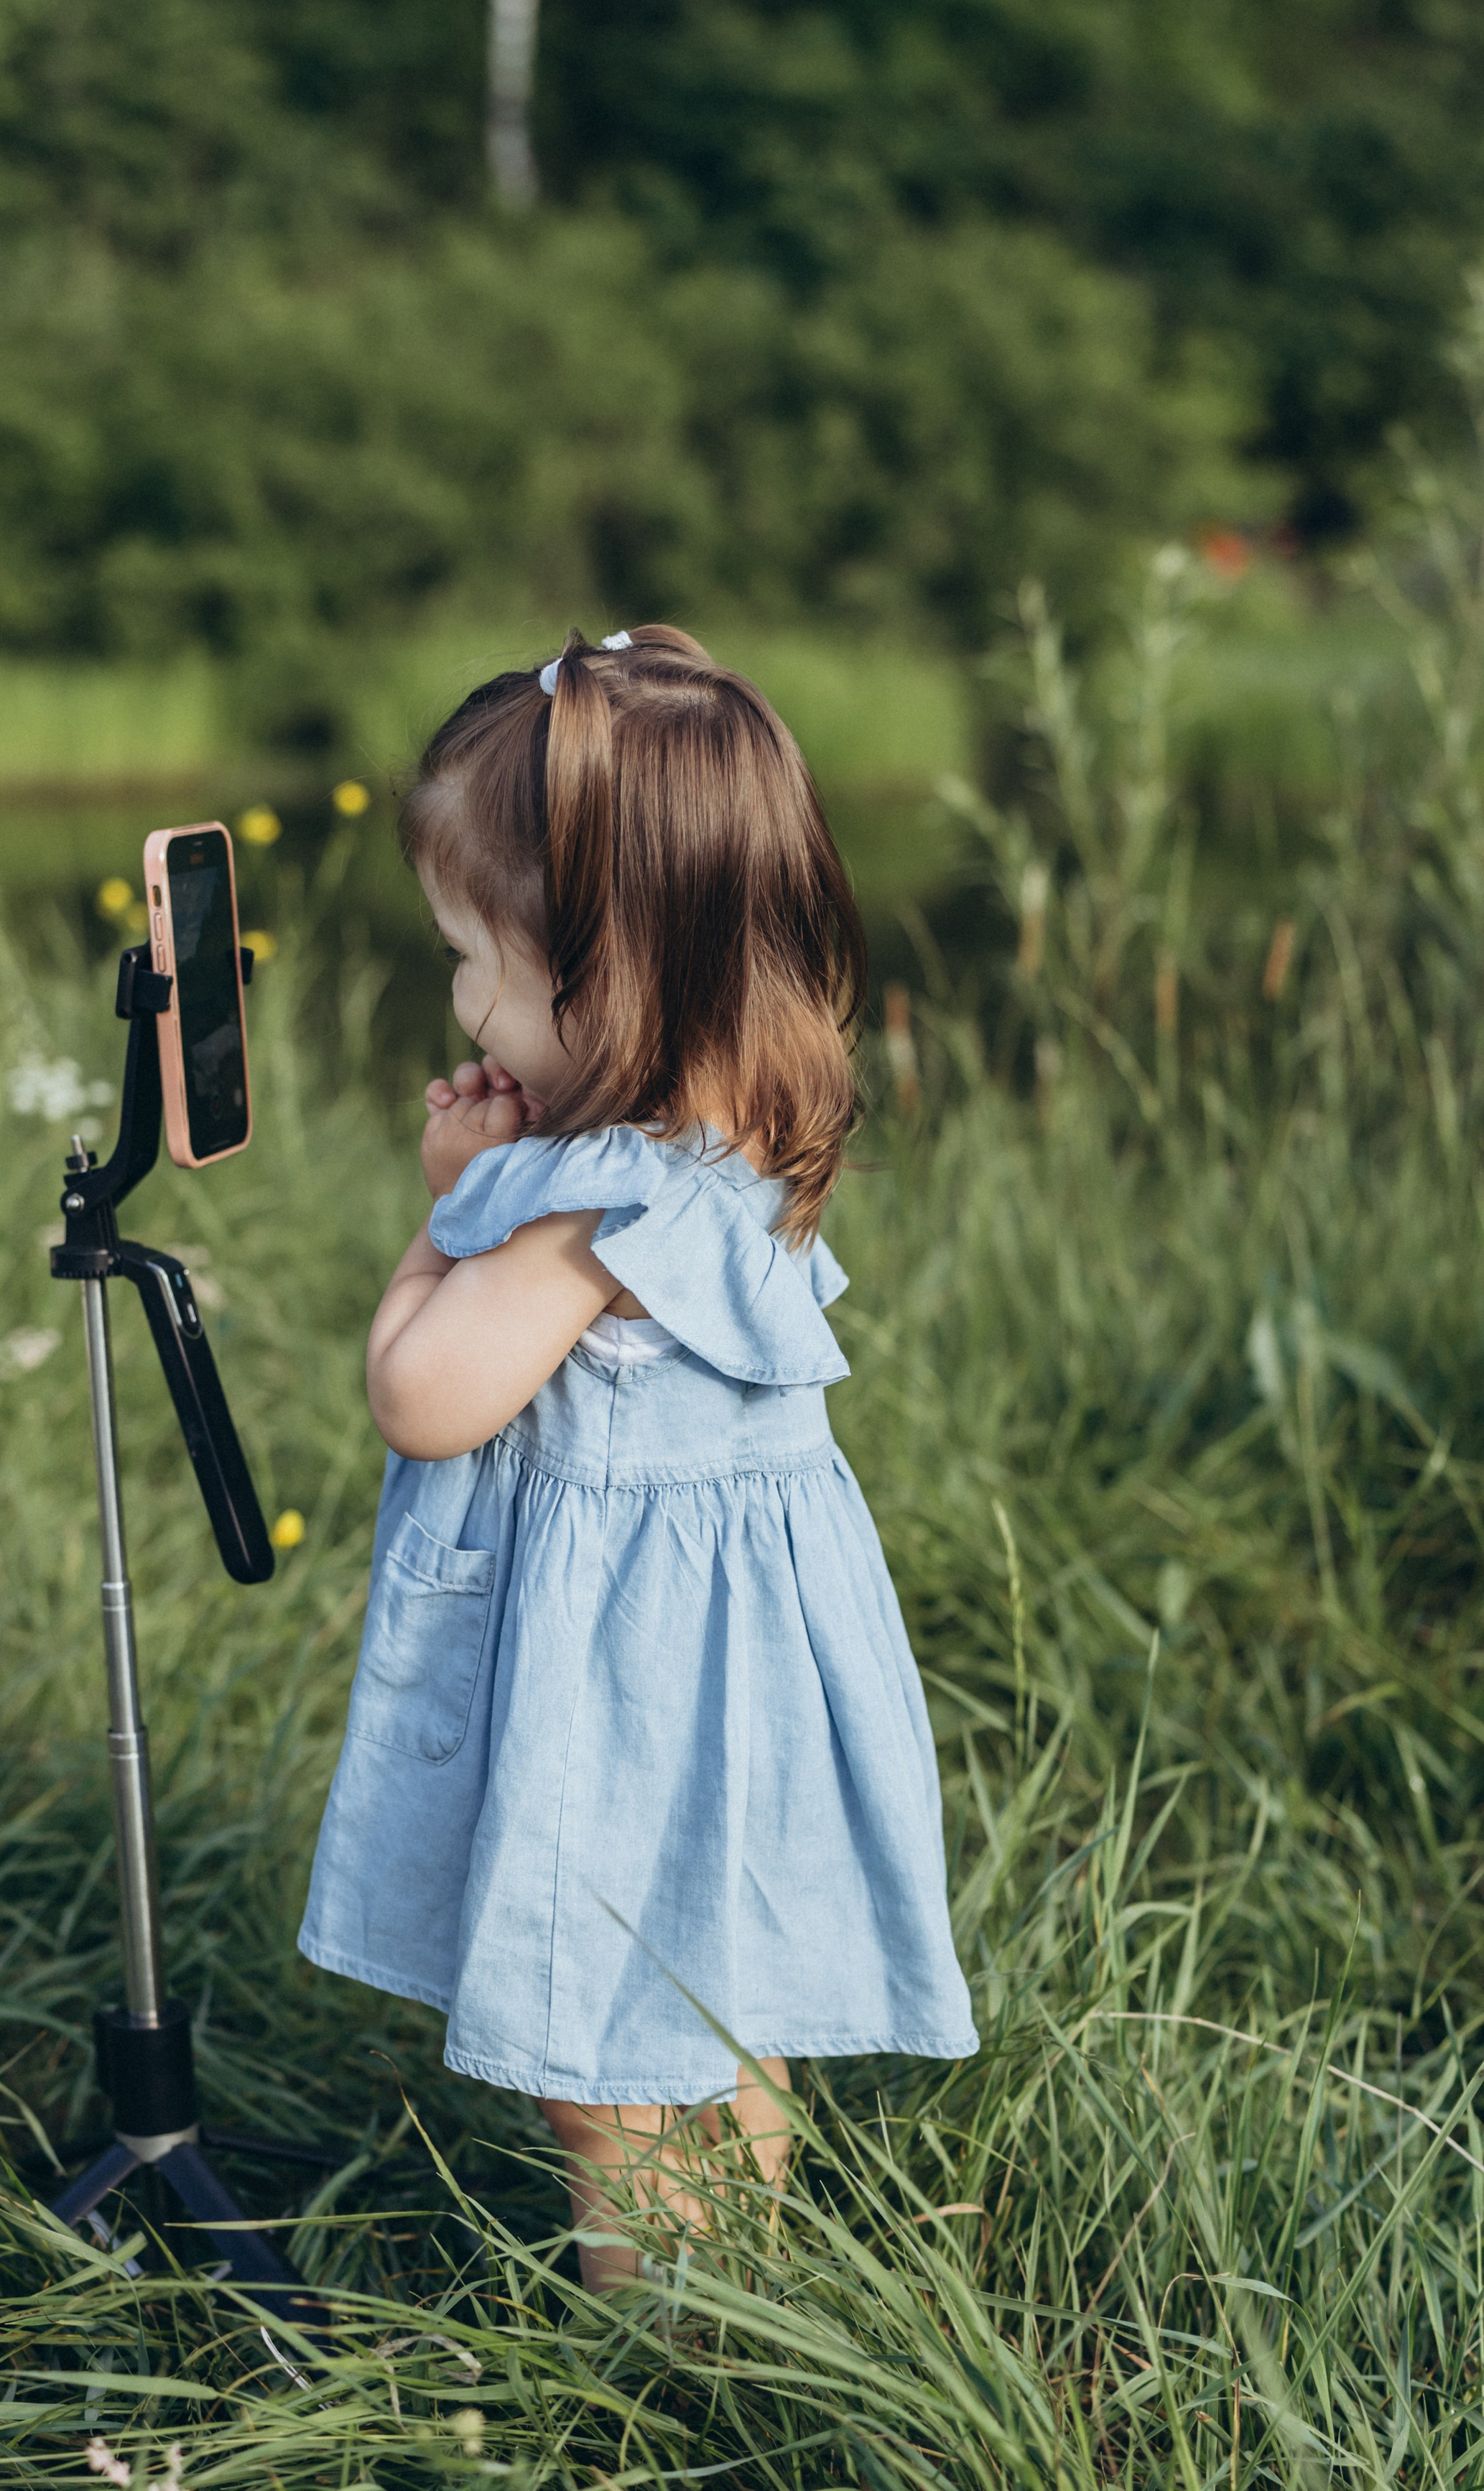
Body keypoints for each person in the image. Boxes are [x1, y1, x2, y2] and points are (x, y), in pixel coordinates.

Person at [299, 624, 976, 2290]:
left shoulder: (584, 1217)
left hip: (628, 1697)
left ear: (595, 978)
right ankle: (748, 2291)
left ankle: (654, 2360)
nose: (457, 999)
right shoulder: (738, 1129)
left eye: (471, 957)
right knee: (716, 2018)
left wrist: (442, 1207)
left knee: (603, 2061)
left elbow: (421, 1394)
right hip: (741, 1682)